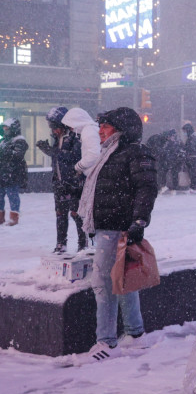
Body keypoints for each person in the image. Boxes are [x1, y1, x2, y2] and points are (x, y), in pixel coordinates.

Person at [77, 107, 158, 362]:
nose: (100, 131)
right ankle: (135, 334)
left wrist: (139, 220)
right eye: (100, 126)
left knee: (102, 283)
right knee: (122, 280)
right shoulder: (110, 154)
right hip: (107, 226)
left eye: (106, 127)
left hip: (117, 227)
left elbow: (146, 188)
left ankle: (106, 342)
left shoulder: (134, 153)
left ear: (121, 130)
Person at [35, 107, 87, 252]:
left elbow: (75, 157)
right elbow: (59, 157)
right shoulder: (57, 139)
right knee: (60, 214)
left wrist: (54, 152)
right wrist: (51, 151)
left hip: (74, 183)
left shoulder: (76, 137)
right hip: (59, 182)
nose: (53, 131)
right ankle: (61, 243)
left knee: (77, 214)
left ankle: (83, 244)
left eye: (55, 127)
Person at [0, 119, 29, 226]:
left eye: (7, 128)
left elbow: (17, 155)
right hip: (2, 174)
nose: (5, 130)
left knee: (13, 196)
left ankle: (14, 218)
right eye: (4, 128)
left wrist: (4, 152)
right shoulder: (3, 141)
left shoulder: (19, 140)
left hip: (12, 174)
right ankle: (1, 217)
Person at [181, 122, 196, 192]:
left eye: (185, 131)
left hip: (192, 156)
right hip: (192, 156)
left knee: (192, 172)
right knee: (192, 172)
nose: (184, 133)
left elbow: (191, 147)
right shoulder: (192, 136)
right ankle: (193, 187)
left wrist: (184, 149)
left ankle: (193, 187)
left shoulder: (193, 137)